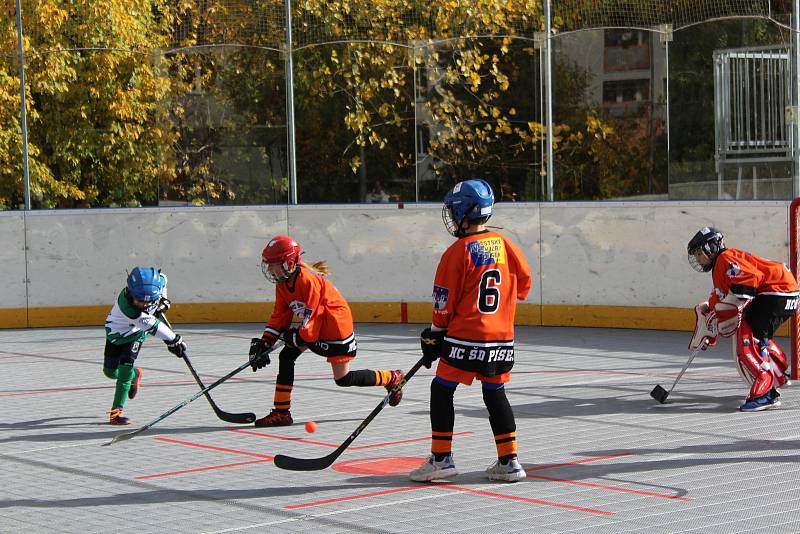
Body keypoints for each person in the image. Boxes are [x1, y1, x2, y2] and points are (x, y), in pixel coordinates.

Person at [410, 179, 532, 483]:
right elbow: (524, 285)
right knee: (495, 392)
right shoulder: (507, 245)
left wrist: (435, 334)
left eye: (454, 211)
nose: (451, 217)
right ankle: (510, 461)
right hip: (502, 341)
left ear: (465, 212)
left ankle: (441, 459)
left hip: (465, 338)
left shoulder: (457, 252)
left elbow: (443, 301)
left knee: (441, 389)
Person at [247, 235, 404, 427]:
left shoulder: (308, 281)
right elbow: (280, 315)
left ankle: (392, 377)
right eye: (268, 264)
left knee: (343, 379)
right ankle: (281, 412)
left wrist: (295, 337)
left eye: (274, 264)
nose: (270, 269)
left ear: (288, 262)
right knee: (286, 356)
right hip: (316, 326)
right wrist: (265, 342)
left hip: (335, 328)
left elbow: (311, 321)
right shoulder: (282, 283)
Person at [688, 227, 798, 411]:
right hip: (785, 294)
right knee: (757, 336)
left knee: (745, 341)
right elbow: (722, 296)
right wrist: (710, 309)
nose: (698, 259)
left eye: (700, 253)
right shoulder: (722, 264)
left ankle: (766, 393)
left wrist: (724, 311)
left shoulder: (725, 258)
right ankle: (778, 373)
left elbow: (749, 281)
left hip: (776, 294)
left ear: (712, 248)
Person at [103, 267, 187, 425]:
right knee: (109, 371)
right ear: (130, 291)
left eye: (149, 301)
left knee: (123, 373)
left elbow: (163, 277)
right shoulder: (128, 308)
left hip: (136, 335)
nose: (144, 304)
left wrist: (163, 299)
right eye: (140, 300)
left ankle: (116, 413)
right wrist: (174, 339)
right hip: (117, 335)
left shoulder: (156, 285)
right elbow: (153, 324)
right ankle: (135, 374)